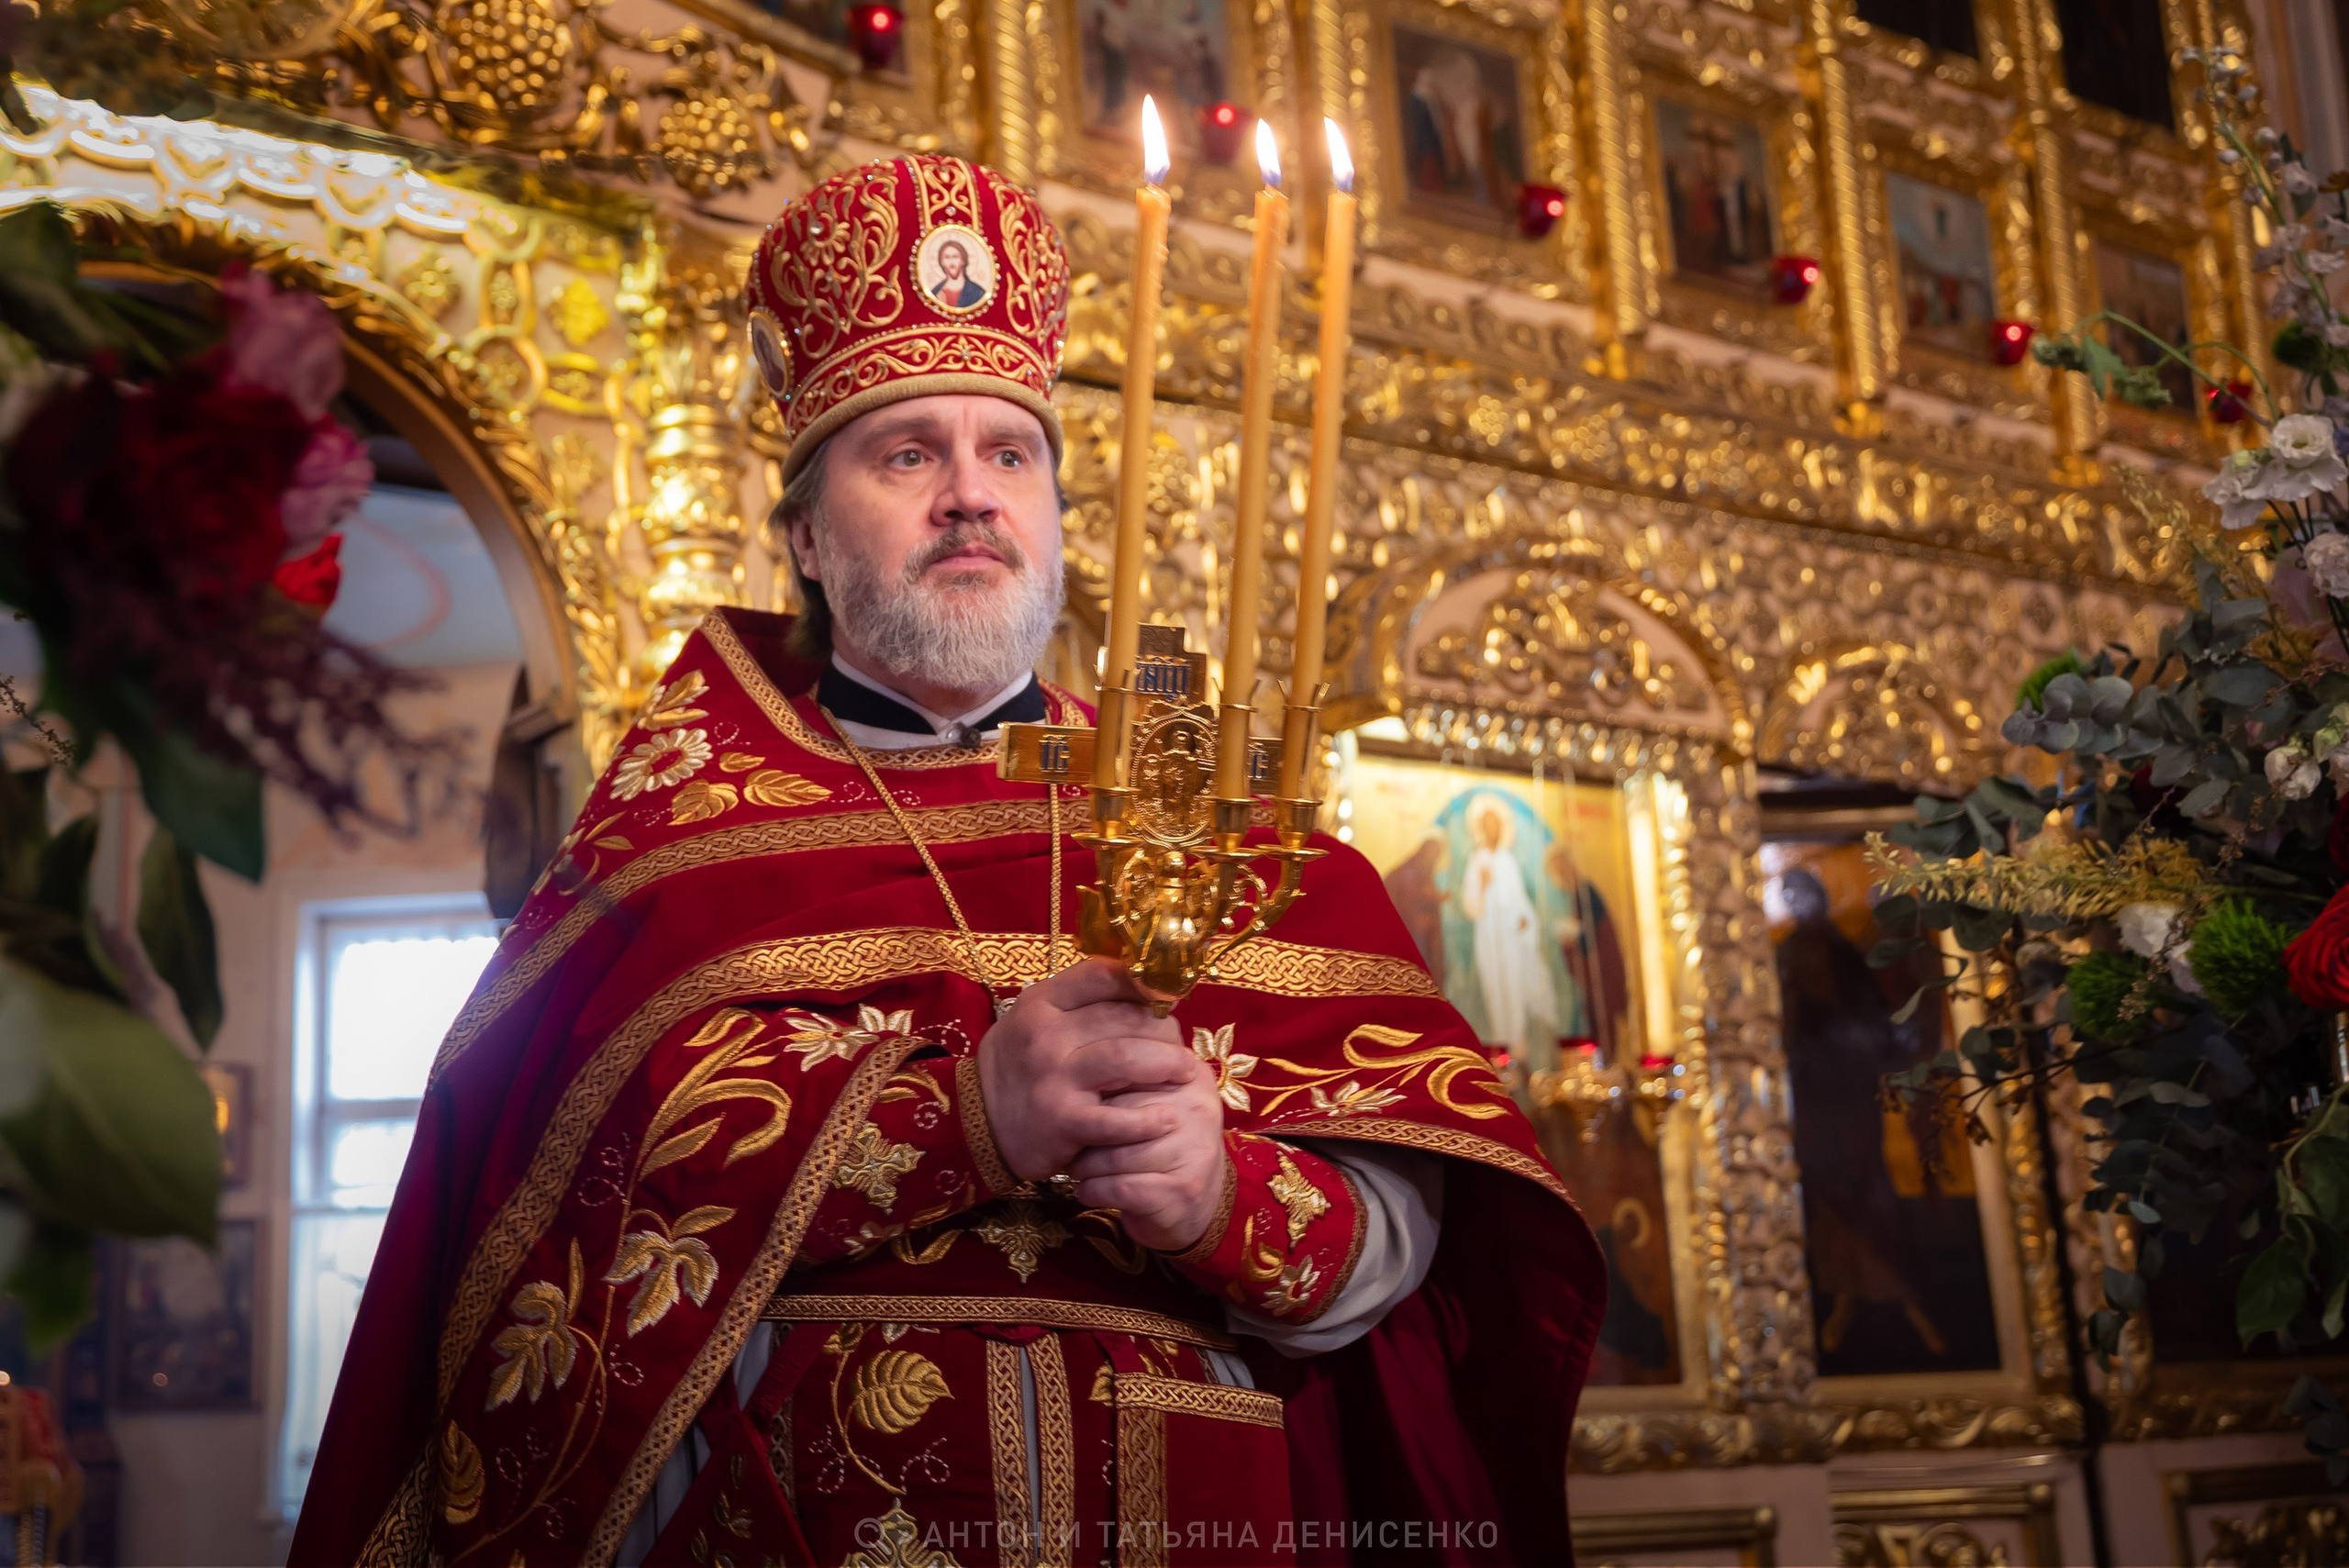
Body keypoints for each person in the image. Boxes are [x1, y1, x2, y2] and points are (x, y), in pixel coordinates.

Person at [289, 152, 1600, 1568]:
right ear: (802, 529)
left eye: (1010, 452)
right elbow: (561, 1216)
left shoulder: (1237, 844)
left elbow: (1414, 1247)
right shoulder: (682, 836)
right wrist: (964, 1119)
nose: (970, 496)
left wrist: (1226, 1198)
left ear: (1051, 512)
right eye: (907, 452)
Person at [1458, 798, 1560, 1056]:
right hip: (1491, 941)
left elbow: (1520, 901)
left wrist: (1526, 919)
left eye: (1497, 824)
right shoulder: (1477, 860)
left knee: (1517, 989)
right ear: (1481, 828)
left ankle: (1521, 1050)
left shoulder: (1507, 860)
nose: (1494, 830)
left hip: (1513, 938)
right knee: (1497, 991)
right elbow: (1471, 907)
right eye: (1488, 825)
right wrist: (1481, 885)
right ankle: (1505, 1052)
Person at [930, 238, 985, 308]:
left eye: (955, 257)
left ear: (963, 260)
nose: (952, 262)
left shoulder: (977, 292)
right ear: (942, 262)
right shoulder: (936, 292)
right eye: (947, 257)